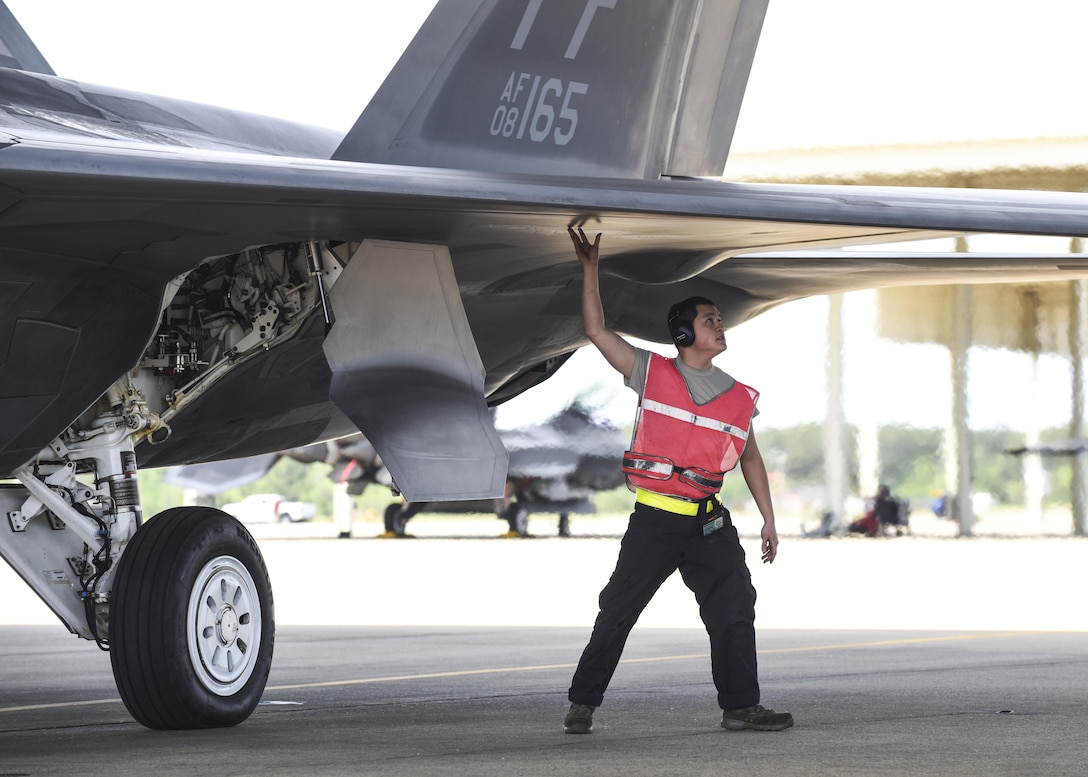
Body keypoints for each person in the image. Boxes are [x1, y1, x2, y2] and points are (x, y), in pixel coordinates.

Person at [562, 227, 793, 734]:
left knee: (734, 611)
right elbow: (598, 331)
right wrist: (590, 269)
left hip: (709, 523)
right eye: (710, 319)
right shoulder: (650, 372)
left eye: (719, 319)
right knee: (617, 612)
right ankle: (583, 703)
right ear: (684, 333)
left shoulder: (738, 396)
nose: (720, 325)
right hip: (656, 521)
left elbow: (750, 458)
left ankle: (741, 706)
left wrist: (769, 519)